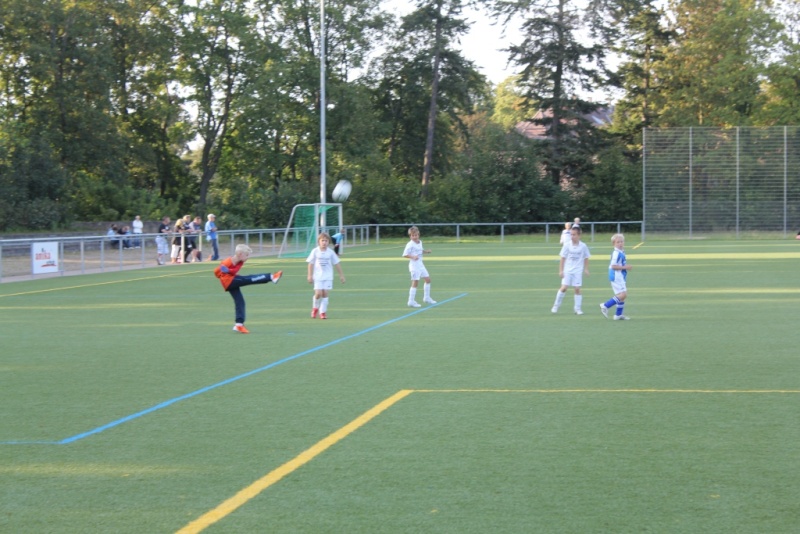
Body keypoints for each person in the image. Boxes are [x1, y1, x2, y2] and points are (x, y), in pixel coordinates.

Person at [214, 244, 283, 333]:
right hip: (229, 281)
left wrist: (230, 272)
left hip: (231, 280)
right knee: (250, 279)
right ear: (239, 254)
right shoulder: (227, 261)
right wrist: (223, 274)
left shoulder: (240, 262)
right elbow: (216, 272)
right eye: (246, 255)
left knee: (240, 301)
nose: (248, 257)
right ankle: (272, 277)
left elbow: (234, 271)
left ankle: (239, 325)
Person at [551, 224, 591, 315]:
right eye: (571, 235)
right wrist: (561, 270)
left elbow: (586, 257)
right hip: (567, 270)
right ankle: (556, 305)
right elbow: (562, 258)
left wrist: (586, 269)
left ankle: (577, 309)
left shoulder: (583, 246)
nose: (572, 236)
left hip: (577, 271)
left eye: (574, 235)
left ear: (579, 235)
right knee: (564, 288)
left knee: (577, 289)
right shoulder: (567, 245)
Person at [306, 232, 346, 319]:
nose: (324, 242)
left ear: (328, 242)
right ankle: (315, 308)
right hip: (318, 276)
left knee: (325, 293)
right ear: (319, 242)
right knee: (318, 293)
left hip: (328, 276)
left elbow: (337, 263)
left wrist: (341, 275)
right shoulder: (315, 251)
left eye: (326, 241)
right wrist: (309, 275)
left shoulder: (330, 252)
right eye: (322, 240)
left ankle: (323, 312)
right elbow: (310, 263)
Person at [402, 225, 436, 307]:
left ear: (418, 235)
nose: (414, 237)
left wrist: (426, 251)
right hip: (414, 266)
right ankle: (411, 301)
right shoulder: (410, 244)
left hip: (420, 264)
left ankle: (426, 298)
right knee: (415, 282)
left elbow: (420, 251)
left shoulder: (420, 242)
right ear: (410, 236)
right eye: (413, 235)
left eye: (416, 235)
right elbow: (405, 254)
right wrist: (413, 257)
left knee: (428, 280)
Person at [600, 233, 632, 320]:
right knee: (623, 294)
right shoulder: (616, 253)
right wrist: (625, 267)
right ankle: (605, 305)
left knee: (621, 295)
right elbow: (613, 266)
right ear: (613, 244)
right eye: (618, 242)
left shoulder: (621, 251)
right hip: (616, 275)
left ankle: (618, 315)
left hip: (619, 275)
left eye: (621, 241)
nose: (620, 243)